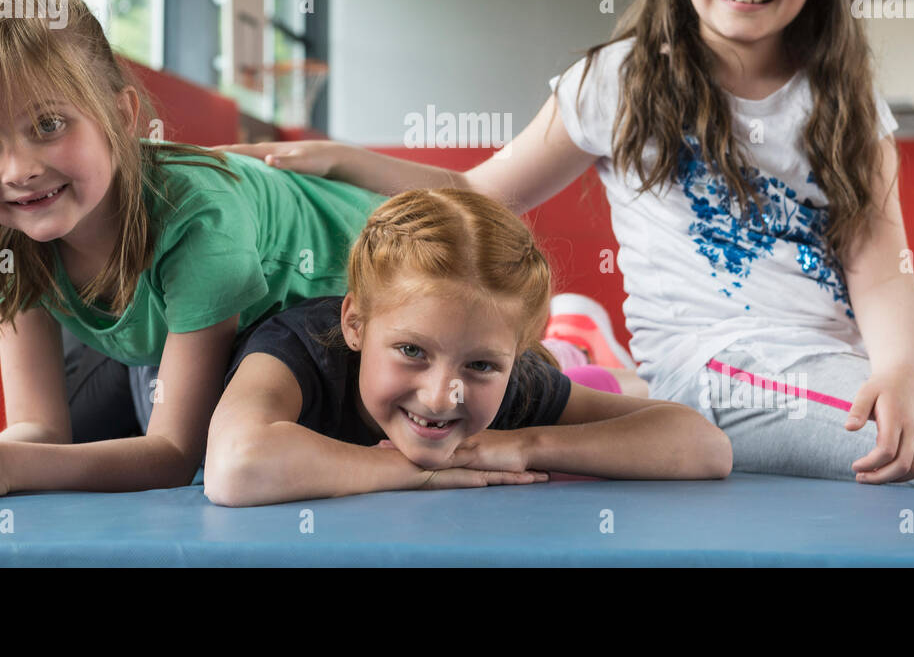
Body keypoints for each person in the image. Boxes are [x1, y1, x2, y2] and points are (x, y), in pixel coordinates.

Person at [217, 0, 914, 565]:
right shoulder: (622, 80)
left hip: (827, 368)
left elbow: (885, 271)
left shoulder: (845, 100)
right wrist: (341, 157)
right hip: (716, 366)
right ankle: (586, 342)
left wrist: (907, 373)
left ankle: (582, 341)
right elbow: (479, 194)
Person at [0, 0, 384, 511]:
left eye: (48, 124)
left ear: (122, 117)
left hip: (361, 297)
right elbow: (38, 427)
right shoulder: (2, 242)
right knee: (84, 440)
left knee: (227, 461)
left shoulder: (199, 220)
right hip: (203, 332)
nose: (20, 171)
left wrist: (4, 464)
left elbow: (173, 455)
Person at [203, 188, 731, 507]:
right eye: (411, 351)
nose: (438, 397)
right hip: (133, 373)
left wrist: (526, 446)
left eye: (480, 364)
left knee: (573, 380)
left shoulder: (515, 381)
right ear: (356, 324)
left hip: (534, 363)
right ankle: (574, 345)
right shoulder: (294, 349)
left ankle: (574, 340)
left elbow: (706, 448)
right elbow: (234, 467)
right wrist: (416, 473)